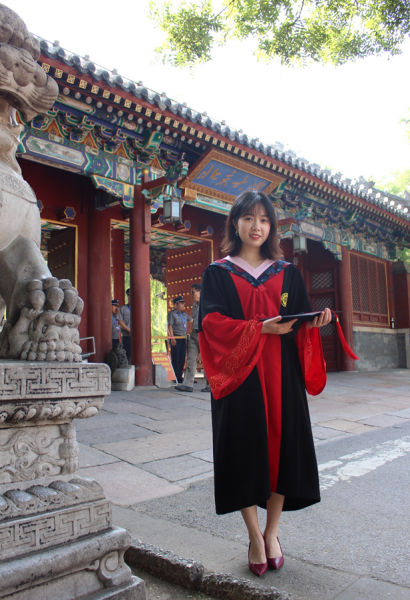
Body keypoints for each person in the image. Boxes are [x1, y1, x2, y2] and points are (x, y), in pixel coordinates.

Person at [198, 189, 332, 577]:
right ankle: (254, 537)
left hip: (282, 375)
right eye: (248, 218)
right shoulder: (218, 272)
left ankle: (272, 533)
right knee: (244, 451)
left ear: (271, 226)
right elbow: (211, 324)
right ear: (234, 223)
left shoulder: (286, 272)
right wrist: (260, 329)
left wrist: (316, 323)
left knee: (282, 451)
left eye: (263, 220)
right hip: (240, 375)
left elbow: (299, 322)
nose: (256, 226)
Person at [175, 284, 210, 393]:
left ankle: (210, 385)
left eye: (193, 292)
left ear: (200, 292)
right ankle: (187, 384)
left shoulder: (207, 304)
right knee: (190, 359)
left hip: (205, 334)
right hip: (195, 334)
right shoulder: (194, 306)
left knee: (208, 361)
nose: (191, 294)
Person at [167, 296, 192, 384]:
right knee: (176, 357)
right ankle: (175, 376)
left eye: (183, 303)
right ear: (176, 304)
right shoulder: (172, 314)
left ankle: (180, 375)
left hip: (183, 338)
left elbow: (191, 320)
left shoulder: (184, 314)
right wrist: (172, 338)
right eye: (181, 303)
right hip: (176, 337)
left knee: (182, 357)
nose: (183, 305)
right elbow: (170, 326)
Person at [117, 289, 131, 361]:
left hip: (137, 337)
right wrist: (128, 329)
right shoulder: (123, 308)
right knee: (126, 355)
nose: (129, 299)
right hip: (126, 336)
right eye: (128, 297)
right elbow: (119, 321)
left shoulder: (140, 308)